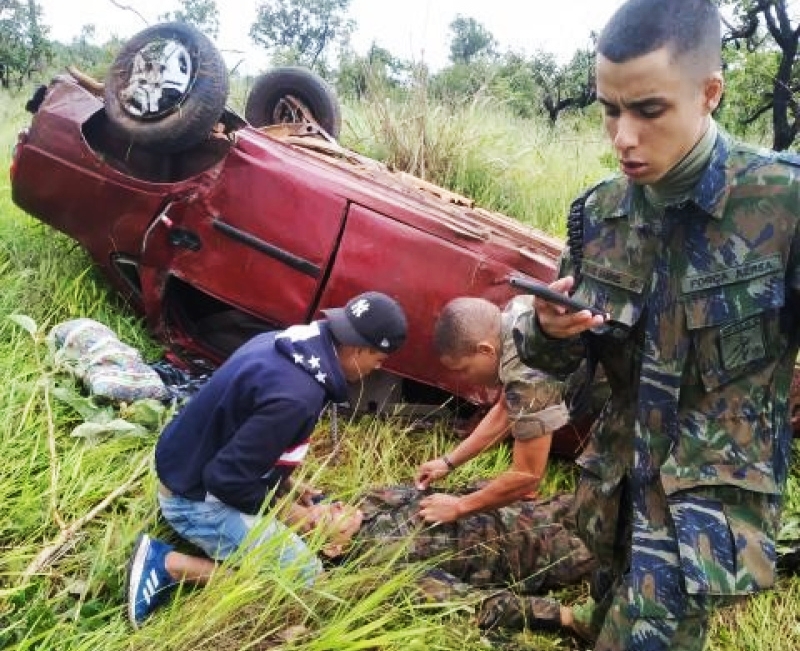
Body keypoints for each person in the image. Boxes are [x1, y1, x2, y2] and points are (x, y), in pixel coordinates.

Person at [515, 1, 800, 649]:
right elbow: (560, 369)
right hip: (613, 494)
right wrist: (549, 332)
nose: (622, 136)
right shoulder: (600, 216)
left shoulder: (784, 205)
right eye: (609, 109)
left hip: (704, 511)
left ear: (709, 94)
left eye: (648, 110)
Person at [124, 291, 408, 628]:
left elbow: (247, 434)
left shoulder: (284, 343)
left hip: (186, 464)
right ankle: (167, 564)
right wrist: (300, 517)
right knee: (305, 578)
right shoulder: (297, 396)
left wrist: (287, 483)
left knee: (284, 535)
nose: (378, 368)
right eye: (379, 359)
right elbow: (228, 480)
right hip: (194, 500)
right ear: (359, 348)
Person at [318, 484, 596, 634]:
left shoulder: (370, 500)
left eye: (327, 503)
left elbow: (439, 491)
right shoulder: (383, 569)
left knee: (626, 499)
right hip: (542, 551)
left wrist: (499, 488)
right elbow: (472, 603)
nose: (337, 504)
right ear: (333, 548)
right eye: (327, 516)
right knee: (630, 543)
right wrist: (564, 617)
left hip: (533, 509)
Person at [413, 296, 585, 524]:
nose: (465, 380)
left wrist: (459, 507)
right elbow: (505, 409)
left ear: (485, 350)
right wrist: (448, 462)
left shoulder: (528, 375)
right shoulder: (515, 314)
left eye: (464, 369)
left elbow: (527, 476)